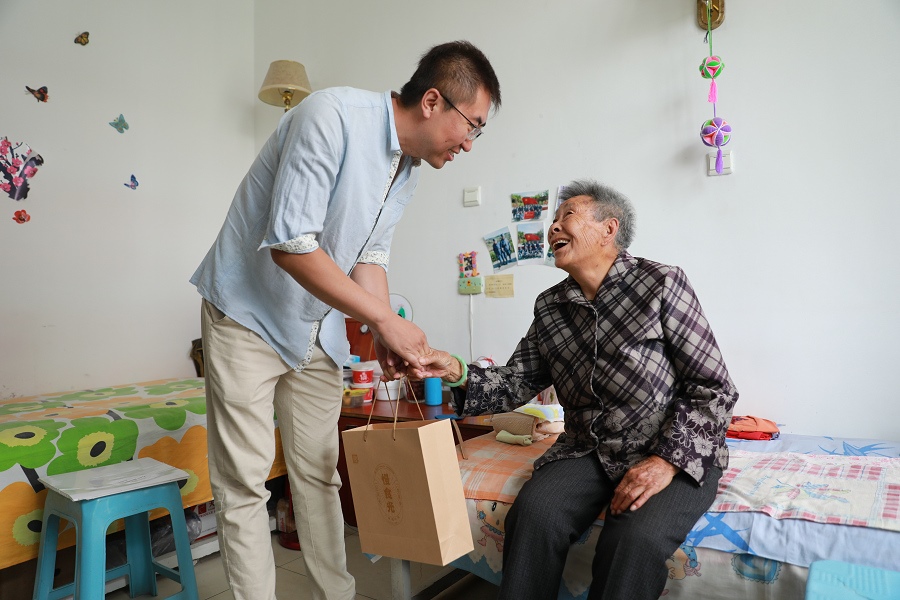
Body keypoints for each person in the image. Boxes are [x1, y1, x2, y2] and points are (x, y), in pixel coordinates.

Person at [190, 41, 500, 600]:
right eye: (472, 126)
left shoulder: (407, 170)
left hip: (315, 327)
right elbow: (291, 244)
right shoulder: (329, 116)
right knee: (244, 482)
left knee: (319, 473)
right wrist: (383, 317)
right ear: (433, 101)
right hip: (248, 314)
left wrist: (382, 329)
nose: (470, 144)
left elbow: (369, 257)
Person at [417, 179, 738, 600]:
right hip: (588, 449)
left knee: (634, 542)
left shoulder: (660, 282)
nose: (553, 227)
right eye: (553, 219)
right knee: (533, 515)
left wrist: (665, 462)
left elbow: (712, 387)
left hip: (667, 446)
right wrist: (456, 370)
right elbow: (517, 380)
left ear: (609, 229)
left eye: (567, 215)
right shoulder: (551, 305)